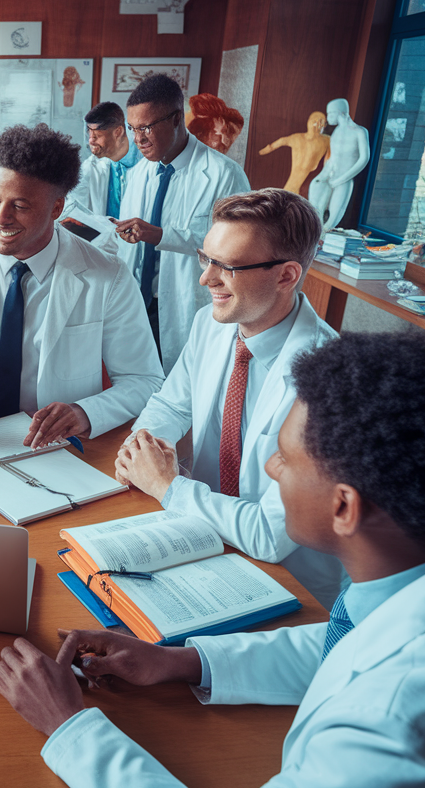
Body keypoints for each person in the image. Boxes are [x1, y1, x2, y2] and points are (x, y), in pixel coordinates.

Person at [0, 331, 425, 788]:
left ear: (344, 506)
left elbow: (375, 673)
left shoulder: (391, 730)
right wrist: (185, 661)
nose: (273, 471)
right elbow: (349, 645)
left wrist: (69, 727)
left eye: (283, 458)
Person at [115, 189, 343, 607]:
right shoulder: (211, 323)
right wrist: (141, 448)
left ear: (286, 276)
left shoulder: (330, 376)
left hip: (288, 583)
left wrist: (168, 486)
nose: (206, 278)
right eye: (207, 258)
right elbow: (172, 403)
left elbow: (272, 536)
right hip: (201, 537)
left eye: (227, 266)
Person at [0, 123, 163, 448]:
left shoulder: (107, 275)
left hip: (65, 451)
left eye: (20, 205)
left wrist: (85, 413)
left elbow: (144, 380)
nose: (0, 217)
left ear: (57, 208)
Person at [113, 74, 250, 373]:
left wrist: (160, 235)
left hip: (187, 306)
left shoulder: (224, 174)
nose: (138, 139)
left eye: (146, 127)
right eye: (132, 129)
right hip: (137, 303)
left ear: (177, 120)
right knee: (136, 384)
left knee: (184, 391)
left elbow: (238, 249)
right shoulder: (139, 173)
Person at [62, 101, 143, 255]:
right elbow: (73, 209)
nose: (91, 140)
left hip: (140, 251)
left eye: (97, 135)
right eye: (89, 133)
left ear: (118, 132)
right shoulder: (90, 167)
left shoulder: (145, 164)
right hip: (106, 252)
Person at [308, 98, 371, 231]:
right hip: (329, 176)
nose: (328, 117)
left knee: (331, 221)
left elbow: (364, 159)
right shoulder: (336, 133)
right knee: (315, 210)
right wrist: (323, 175)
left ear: (341, 112)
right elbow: (332, 159)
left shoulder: (359, 132)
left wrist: (342, 179)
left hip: (344, 180)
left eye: (331, 113)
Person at [258, 111, 330, 195]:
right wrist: (262, 151)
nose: (317, 125)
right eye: (315, 122)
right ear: (309, 122)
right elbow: (278, 143)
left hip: (312, 181)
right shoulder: (296, 138)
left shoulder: (327, 140)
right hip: (297, 181)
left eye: (321, 123)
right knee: (290, 191)